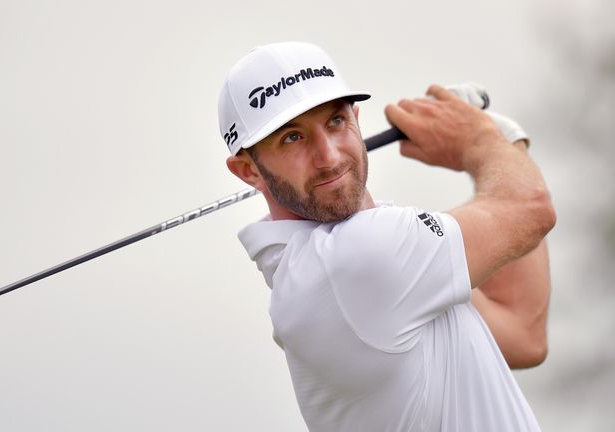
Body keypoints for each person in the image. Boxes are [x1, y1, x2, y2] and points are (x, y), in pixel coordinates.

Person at [218, 41, 554, 431]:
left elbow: (521, 332)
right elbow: (530, 207)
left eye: (335, 122)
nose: (328, 156)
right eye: (292, 137)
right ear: (248, 171)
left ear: (357, 120)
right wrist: (481, 140)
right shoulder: (355, 259)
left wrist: (499, 142)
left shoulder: (339, 268)